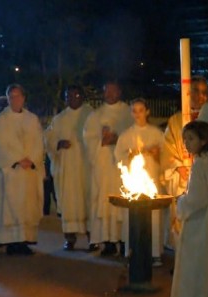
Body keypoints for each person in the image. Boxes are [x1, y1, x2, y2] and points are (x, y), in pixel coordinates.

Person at [170, 121, 208, 297]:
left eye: (191, 138)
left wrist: (180, 201)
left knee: (195, 267)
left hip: (199, 225)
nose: (186, 143)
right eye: (184, 139)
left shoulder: (199, 165)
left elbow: (198, 199)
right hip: (207, 221)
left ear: (203, 140)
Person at [0, 84, 44, 255]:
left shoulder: (32, 119)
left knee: (26, 207)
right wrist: (17, 159)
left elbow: (39, 141)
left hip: (28, 172)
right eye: (11, 97)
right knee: (9, 206)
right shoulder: (0, 120)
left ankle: (24, 241)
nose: (14, 100)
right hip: (9, 172)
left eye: (17, 96)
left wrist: (31, 159)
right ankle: (10, 242)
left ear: (24, 98)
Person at [83, 80, 133, 255]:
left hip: (122, 168)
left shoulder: (128, 113)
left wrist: (118, 138)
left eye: (113, 91)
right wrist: (101, 140)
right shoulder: (96, 115)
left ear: (119, 92)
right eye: (106, 91)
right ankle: (108, 243)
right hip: (103, 165)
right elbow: (88, 140)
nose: (109, 94)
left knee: (122, 200)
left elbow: (134, 135)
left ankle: (122, 239)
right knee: (104, 201)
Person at [114, 97, 164, 265]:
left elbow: (166, 155)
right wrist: (129, 156)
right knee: (133, 216)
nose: (137, 114)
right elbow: (118, 157)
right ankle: (132, 252)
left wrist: (157, 155)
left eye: (141, 110)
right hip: (134, 184)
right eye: (134, 110)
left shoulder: (156, 133)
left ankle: (154, 253)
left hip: (152, 181)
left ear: (147, 112)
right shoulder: (126, 135)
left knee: (153, 217)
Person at [161, 76, 208, 249]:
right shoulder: (176, 120)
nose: (201, 96)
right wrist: (178, 167)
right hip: (182, 176)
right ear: (188, 93)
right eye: (196, 91)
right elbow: (167, 148)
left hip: (202, 174)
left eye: (204, 92)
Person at [44, 85, 93, 251]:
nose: (72, 98)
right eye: (68, 96)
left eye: (75, 95)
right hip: (67, 170)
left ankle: (92, 237)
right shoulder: (59, 119)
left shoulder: (91, 115)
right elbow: (48, 140)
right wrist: (58, 144)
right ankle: (70, 238)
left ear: (82, 96)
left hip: (85, 169)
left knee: (87, 202)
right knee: (69, 203)